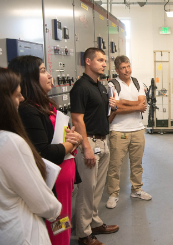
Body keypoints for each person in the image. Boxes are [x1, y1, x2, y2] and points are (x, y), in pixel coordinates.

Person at [8, 55, 83, 245]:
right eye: (42, 71)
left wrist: (73, 139)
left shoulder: (46, 105)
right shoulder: (27, 110)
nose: (50, 76)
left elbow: (58, 137)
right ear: (28, 77)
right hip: (52, 185)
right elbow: (45, 152)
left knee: (63, 226)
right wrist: (72, 143)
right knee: (56, 229)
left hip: (64, 180)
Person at [0, 68, 62, 245]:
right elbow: (44, 204)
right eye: (17, 95)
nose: (21, 99)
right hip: (22, 233)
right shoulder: (10, 142)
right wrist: (57, 209)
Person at [70, 48, 119, 245]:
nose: (104, 64)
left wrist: (113, 108)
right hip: (88, 142)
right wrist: (86, 148)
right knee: (86, 190)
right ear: (88, 61)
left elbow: (105, 117)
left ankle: (94, 222)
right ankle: (83, 234)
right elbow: (77, 119)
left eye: (105, 61)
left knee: (97, 188)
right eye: (100, 60)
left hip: (102, 140)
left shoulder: (100, 86)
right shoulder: (81, 87)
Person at [105, 55, 151, 209]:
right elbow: (114, 108)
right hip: (118, 130)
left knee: (137, 163)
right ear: (117, 70)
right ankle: (113, 194)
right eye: (123, 68)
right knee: (115, 164)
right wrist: (135, 106)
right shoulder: (112, 84)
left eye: (128, 66)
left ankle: (136, 189)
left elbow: (142, 103)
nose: (126, 70)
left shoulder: (137, 82)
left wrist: (123, 103)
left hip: (137, 129)